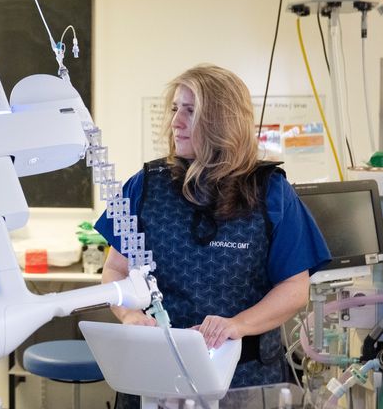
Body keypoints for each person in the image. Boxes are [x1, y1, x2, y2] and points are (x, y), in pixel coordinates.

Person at [94, 64, 331, 408]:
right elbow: (115, 271)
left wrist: (237, 324)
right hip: (155, 373)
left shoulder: (270, 193)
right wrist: (129, 315)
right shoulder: (145, 186)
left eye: (190, 111)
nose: (175, 121)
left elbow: (294, 290)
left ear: (222, 120)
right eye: (175, 109)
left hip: (244, 378)